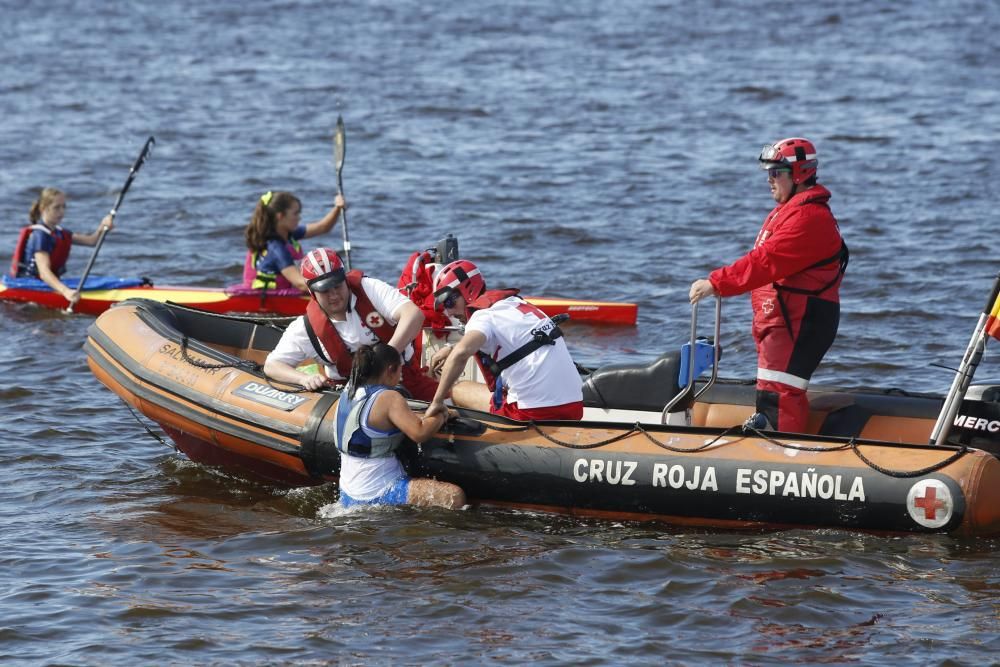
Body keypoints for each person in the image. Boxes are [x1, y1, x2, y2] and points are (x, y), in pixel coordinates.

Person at [689, 137, 848, 433]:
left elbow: (765, 261)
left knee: (780, 395)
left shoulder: (808, 218)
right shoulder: (793, 209)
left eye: (776, 173)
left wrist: (717, 282)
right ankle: (773, 439)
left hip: (798, 321)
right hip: (782, 319)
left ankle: (783, 453)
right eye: (768, 173)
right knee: (773, 392)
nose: (769, 180)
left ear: (799, 174)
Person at [263, 248, 440, 400]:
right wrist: (302, 379)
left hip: (404, 377)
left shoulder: (369, 289)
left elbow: (414, 315)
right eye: (325, 290)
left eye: (337, 286)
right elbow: (272, 365)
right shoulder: (304, 328)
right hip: (350, 394)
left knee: (448, 400)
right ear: (312, 292)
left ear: (345, 280)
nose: (333, 295)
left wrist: (387, 355)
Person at [424, 259, 584, 421]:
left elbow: (462, 353)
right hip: (575, 407)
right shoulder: (514, 303)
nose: (449, 312)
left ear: (467, 291)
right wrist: (451, 348)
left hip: (533, 412)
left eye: (449, 302)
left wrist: (436, 401)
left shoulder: (481, 316)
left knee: (459, 390)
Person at [334, 343, 465, 509]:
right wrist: (442, 414)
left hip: (348, 493)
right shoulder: (388, 398)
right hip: (380, 493)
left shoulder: (348, 391)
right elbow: (420, 432)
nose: (401, 377)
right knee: (453, 496)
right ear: (391, 369)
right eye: (400, 370)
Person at [9, 187, 113, 306]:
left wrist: (103, 227)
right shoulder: (40, 235)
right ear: (43, 209)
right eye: (56, 207)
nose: (61, 211)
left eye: (64, 207)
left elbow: (92, 241)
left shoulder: (59, 232)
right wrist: (66, 291)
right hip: (31, 284)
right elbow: (44, 272)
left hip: (49, 283)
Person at [242, 190, 346, 292]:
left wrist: (337, 208)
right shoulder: (276, 248)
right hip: (270, 299)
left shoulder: (288, 233)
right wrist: (336, 286)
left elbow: (323, 227)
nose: (299, 218)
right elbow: (301, 284)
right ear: (280, 216)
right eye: (295, 214)